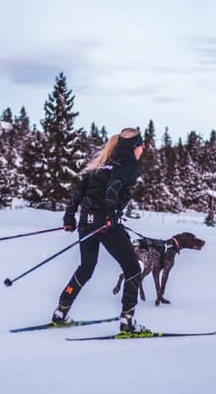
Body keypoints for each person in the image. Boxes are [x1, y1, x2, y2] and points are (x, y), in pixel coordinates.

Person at [52, 127, 146, 333]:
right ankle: (128, 323)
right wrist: (111, 214)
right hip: (104, 222)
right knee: (133, 269)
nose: (143, 148)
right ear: (134, 146)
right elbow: (114, 186)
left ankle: (61, 312)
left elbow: (80, 190)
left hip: (86, 220)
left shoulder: (103, 163)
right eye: (141, 144)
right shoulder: (129, 163)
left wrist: (69, 216)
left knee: (86, 267)